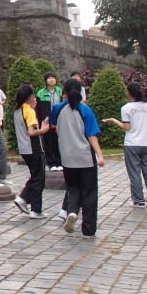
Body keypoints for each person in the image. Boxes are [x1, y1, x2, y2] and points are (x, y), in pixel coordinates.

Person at [50, 78, 104, 238]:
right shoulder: (85, 110)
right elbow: (91, 135)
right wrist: (100, 155)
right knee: (89, 192)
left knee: (73, 188)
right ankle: (88, 229)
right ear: (80, 91)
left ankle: (72, 211)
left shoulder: (57, 108)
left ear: (64, 92)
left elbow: (55, 127)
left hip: (67, 157)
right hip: (85, 157)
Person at [102, 81, 147, 208]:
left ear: (129, 92)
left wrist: (113, 120)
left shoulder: (126, 108)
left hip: (132, 143)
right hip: (146, 143)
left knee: (134, 173)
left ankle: (138, 200)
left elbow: (126, 127)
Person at [12, 83, 49, 218]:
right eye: (33, 95)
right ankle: (35, 210)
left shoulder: (18, 110)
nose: (34, 97)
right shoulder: (29, 111)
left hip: (23, 148)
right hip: (33, 147)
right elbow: (31, 132)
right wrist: (43, 130)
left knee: (35, 176)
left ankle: (23, 198)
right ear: (29, 96)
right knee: (39, 178)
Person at [36, 73, 63, 171]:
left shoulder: (60, 91)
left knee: (59, 141)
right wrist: (40, 124)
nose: (52, 80)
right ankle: (51, 163)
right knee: (49, 141)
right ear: (45, 80)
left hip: (59, 120)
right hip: (47, 120)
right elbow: (38, 110)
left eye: (53, 78)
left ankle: (60, 162)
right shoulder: (41, 93)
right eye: (49, 78)